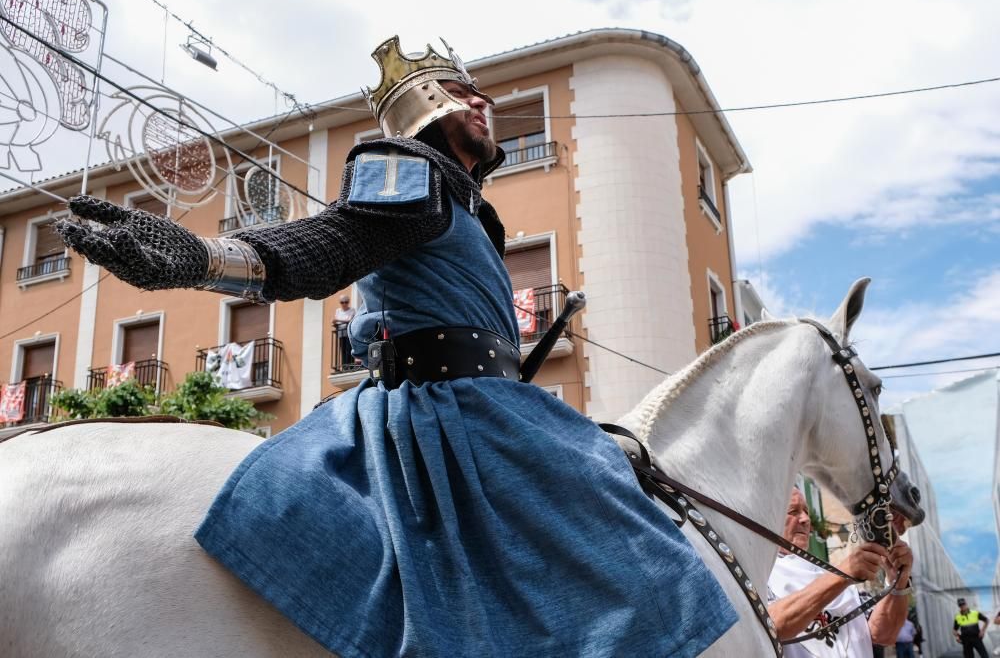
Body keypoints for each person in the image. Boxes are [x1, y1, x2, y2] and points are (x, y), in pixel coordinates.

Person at [55, 36, 738, 658]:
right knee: (626, 528)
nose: (484, 102)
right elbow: (338, 240)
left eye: (481, 93)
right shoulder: (407, 167)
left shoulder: (473, 209)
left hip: (495, 404)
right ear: (425, 107)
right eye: (464, 92)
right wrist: (201, 256)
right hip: (446, 410)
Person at [767, 488, 914, 658]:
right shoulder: (761, 572)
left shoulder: (827, 573)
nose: (806, 519)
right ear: (770, 516)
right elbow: (772, 624)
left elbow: (883, 634)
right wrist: (844, 573)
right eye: (793, 511)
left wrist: (898, 580)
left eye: (806, 511)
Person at [333, 294, 356, 368]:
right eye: (342, 302)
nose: (344, 304)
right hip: (340, 332)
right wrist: (335, 321)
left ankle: (351, 366)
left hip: (348, 333)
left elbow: (350, 320)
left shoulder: (352, 310)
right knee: (342, 350)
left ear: (348, 302)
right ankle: (344, 366)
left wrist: (338, 320)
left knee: (349, 349)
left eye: (346, 302)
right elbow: (334, 321)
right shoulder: (338, 311)